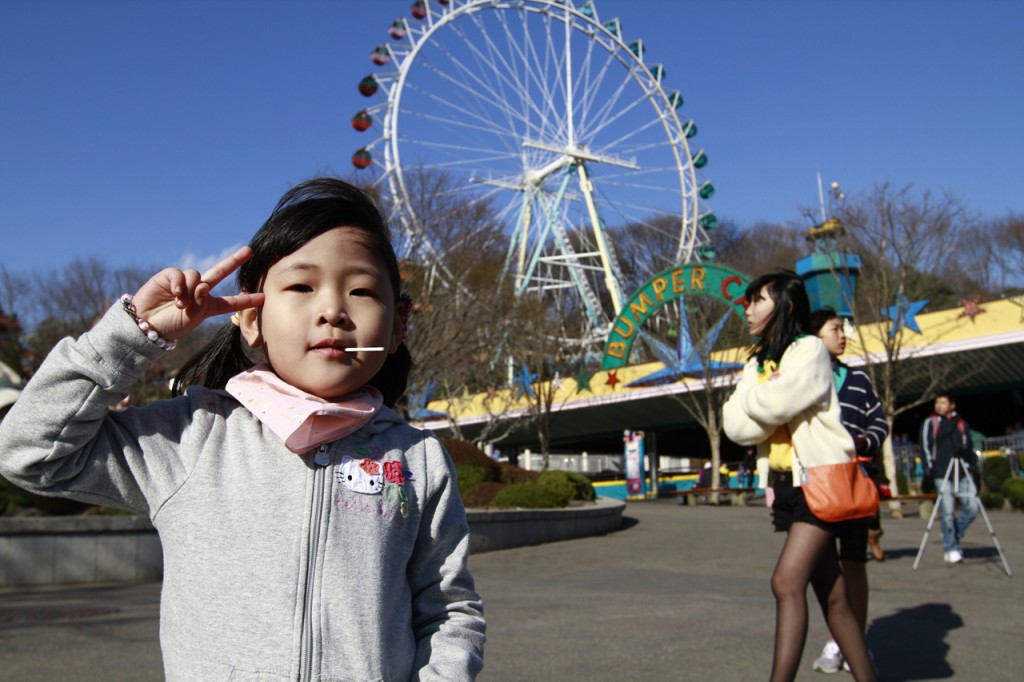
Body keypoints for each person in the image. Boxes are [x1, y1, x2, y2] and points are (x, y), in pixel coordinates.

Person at [0, 178, 486, 680]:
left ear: (398, 324)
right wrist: (132, 336)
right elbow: (29, 452)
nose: (332, 311)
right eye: (301, 286)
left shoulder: (417, 459)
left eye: (361, 291)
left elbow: (449, 608)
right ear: (251, 318)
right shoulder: (193, 436)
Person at [724, 271, 875, 682]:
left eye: (758, 300)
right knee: (834, 596)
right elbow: (737, 428)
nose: (749, 308)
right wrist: (768, 394)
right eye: (748, 301)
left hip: (821, 481)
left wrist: (763, 400)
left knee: (785, 581)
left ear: (786, 305)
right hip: (787, 486)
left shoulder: (808, 350)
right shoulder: (756, 362)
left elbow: (772, 410)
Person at [808, 308, 890, 674]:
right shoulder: (804, 379)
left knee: (855, 565)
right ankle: (834, 641)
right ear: (815, 337)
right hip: (820, 487)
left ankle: (855, 641)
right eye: (835, 329)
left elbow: (879, 420)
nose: (843, 335)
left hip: (858, 484)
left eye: (842, 329)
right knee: (826, 569)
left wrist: (866, 441)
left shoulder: (858, 379)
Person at [920, 392, 978, 564]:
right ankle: (951, 547)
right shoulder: (931, 423)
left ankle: (952, 534)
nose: (939, 406)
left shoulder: (961, 424)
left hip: (962, 471)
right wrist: (929, 471)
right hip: (941, 472)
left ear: (952, 405)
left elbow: (969, 447)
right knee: (947, 511)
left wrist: (971, 466)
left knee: (972, 507)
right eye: (937, 403)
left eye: (943, 402)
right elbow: (925, 447)